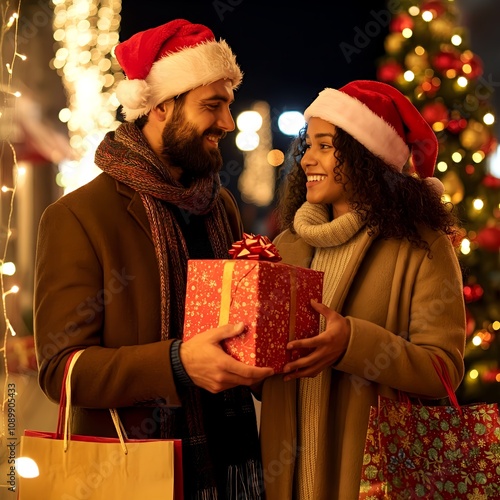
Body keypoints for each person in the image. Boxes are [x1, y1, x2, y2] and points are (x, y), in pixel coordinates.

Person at [34, 18, 273, 499]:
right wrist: (178, 363)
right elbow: (62, 370)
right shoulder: (78, 216)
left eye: (228, 105)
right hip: (133, 471)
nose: (227, 123)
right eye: (213, 106)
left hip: (231, 464)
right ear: (161, 106)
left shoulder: (218, 204)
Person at [259, 80, 466, 500]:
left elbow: (444, 369)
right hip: (286, 478)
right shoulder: (287, 246)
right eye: (307, 145)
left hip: (371, 479)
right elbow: (270, 373)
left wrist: (353, 343)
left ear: (365, 156)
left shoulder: (421, 246)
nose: (306, 160)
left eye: (325, 145)